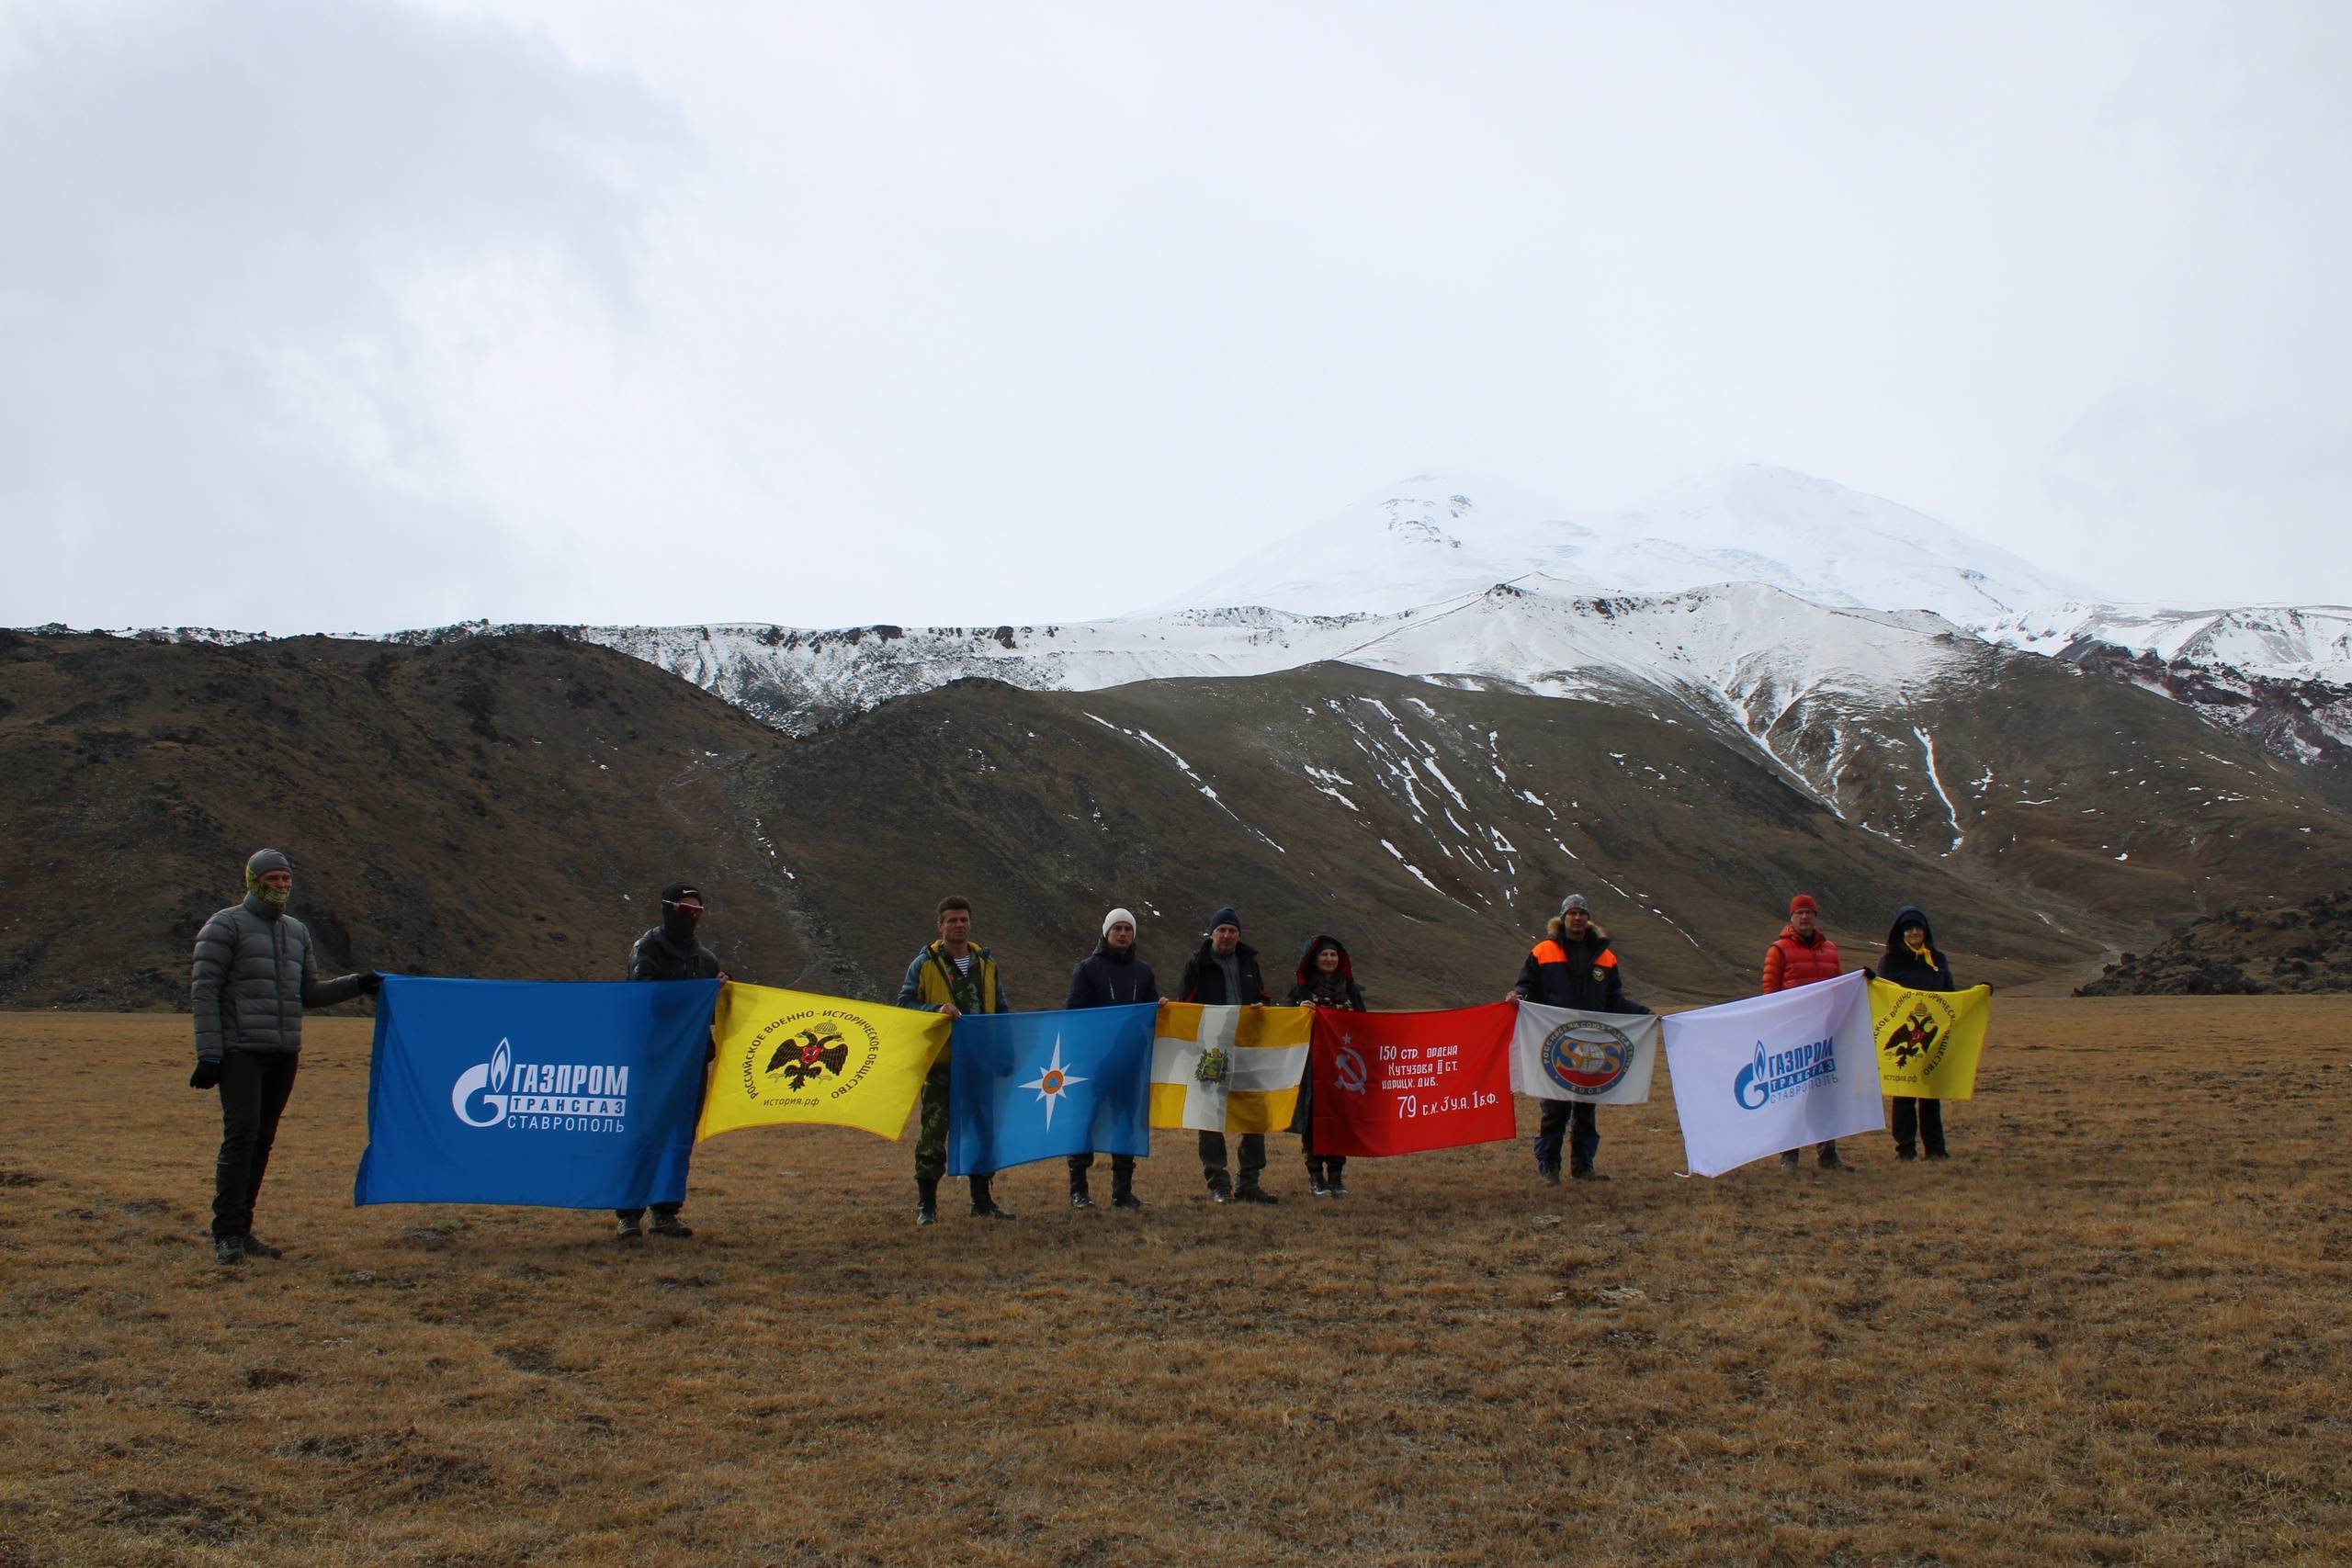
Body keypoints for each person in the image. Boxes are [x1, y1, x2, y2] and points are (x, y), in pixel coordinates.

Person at [189, 848, 380, 1266]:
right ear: (253, 880)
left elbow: (308, 993)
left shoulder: (296, 932)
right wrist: (210, 1054)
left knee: (261, 1142)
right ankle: (226, 1234)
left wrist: (358, 984)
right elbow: (204, 991)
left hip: (283, 1052)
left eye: (285, 879)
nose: (280, 886)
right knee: (240, 1138)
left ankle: (243, 1230)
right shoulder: (225, 926)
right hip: (240, 1052)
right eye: (272, 878)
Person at [1510, 895, 1648, 1183]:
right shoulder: (1543, 951)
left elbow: (1614, 1000)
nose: (1577, 918)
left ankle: (1584, 1167)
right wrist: (1516, 997)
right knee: (1554, 1109)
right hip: (1553, 1043)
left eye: (1582, 913)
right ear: (1563, 918)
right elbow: (1526, 986)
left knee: (1586, 1109)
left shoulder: (1605, 957)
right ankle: (1549, 1167)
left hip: (1592, 1044)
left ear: (1588, 918)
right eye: (1572, 913)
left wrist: (1646, 1014)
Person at [616, 883, 725, 1241]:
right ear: (667, 909)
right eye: (683, 909)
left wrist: (718, 994)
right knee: (643, 1134)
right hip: (653, 1058)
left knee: (680, 1137)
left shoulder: (706, 960)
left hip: (692, 1061)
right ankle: (628, 1214)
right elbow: (643, 999)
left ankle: (665, 1211)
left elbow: (710, 1015)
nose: (690, 917)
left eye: (696, 911)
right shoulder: (646, 949)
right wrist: (695, 995)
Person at [898, 897, 1014, 1224]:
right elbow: (904, 1004)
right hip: (942, 1063)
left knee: (983, 1131)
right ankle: (927, 1207)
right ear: (940, 926)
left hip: (980, 1064)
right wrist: (934, 1010)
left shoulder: (987, 965)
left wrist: (1005, 1053)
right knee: (934, 1133)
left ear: (970, 923)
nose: (959, 925)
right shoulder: (923, 964)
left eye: (964, 919)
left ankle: (982, 1201)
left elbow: (1001, 1010)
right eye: (952, 920)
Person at [1177, 906, 1276, 1204]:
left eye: (1233, 931)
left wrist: (1262, 1006)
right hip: (1211, 1053)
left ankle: (1250, 1182)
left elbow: (1261, 995)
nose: (1228, 936)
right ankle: (1218, 1183)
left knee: (1254, 1115)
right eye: (1222, 930)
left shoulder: (1248, 962)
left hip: (1246, 1048)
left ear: (1239, 935)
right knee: (1210, 1117)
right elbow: (1187, 1006)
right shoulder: (1197, 964)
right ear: (1212, 934)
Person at [1061, 908, 1159, 1211]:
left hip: (1129, 1064)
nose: (1122, 934)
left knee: (1125, 1124)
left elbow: (1150, 1011)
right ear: (1106, 933)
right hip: (1092, 1065)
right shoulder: (1087, 969)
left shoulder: (1144, 972)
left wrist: (1161, 1006)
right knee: (1084, 1124)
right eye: (1117, 929)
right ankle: (1079, 1190)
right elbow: (1074, 1013)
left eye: (1127, 929)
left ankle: (1122, 1192)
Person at [1762, 893, 1848, 1170]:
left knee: (1825, 1092)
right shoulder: (1779, 950)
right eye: (1799, 913)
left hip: (1824, 1033)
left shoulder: (1831, 950)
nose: (1804, 917)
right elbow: (1770, 992)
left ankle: (1828, 1154)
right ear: (1791, 918)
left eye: (1808, 912)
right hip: (1793, 1034)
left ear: (1816, 916)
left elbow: (1840, 987)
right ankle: (1789, 1154)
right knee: (1793, 1094)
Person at [1286, 934, 1365, 1197]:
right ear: (1313, 959)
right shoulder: (1301, 991)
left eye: (1333, 955)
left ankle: (1336, 1175)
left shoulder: (1351, 990)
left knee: (1339, 1119)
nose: (1330, 959)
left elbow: (1365, 1025)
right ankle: (1315, 1175)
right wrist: (1299, 1010)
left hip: (1344, 1070)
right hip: (1312, 1068)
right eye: (1324, 955)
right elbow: (1284, 1023)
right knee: (1313, 1121)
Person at [1878, 905, 1956, 1162]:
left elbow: (1950, 994)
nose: (1913, 932)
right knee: (1904, 1096)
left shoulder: (1937, 958)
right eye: (1908, 928)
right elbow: (1884, 996)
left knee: (1931, 1097)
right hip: (1905, 1040)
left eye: (1918, 928)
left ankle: (1935, 1149)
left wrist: (1978, 994)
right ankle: (1906, 1149)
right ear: (1899, 932)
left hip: (1932, 1040)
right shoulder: (1890, 960)